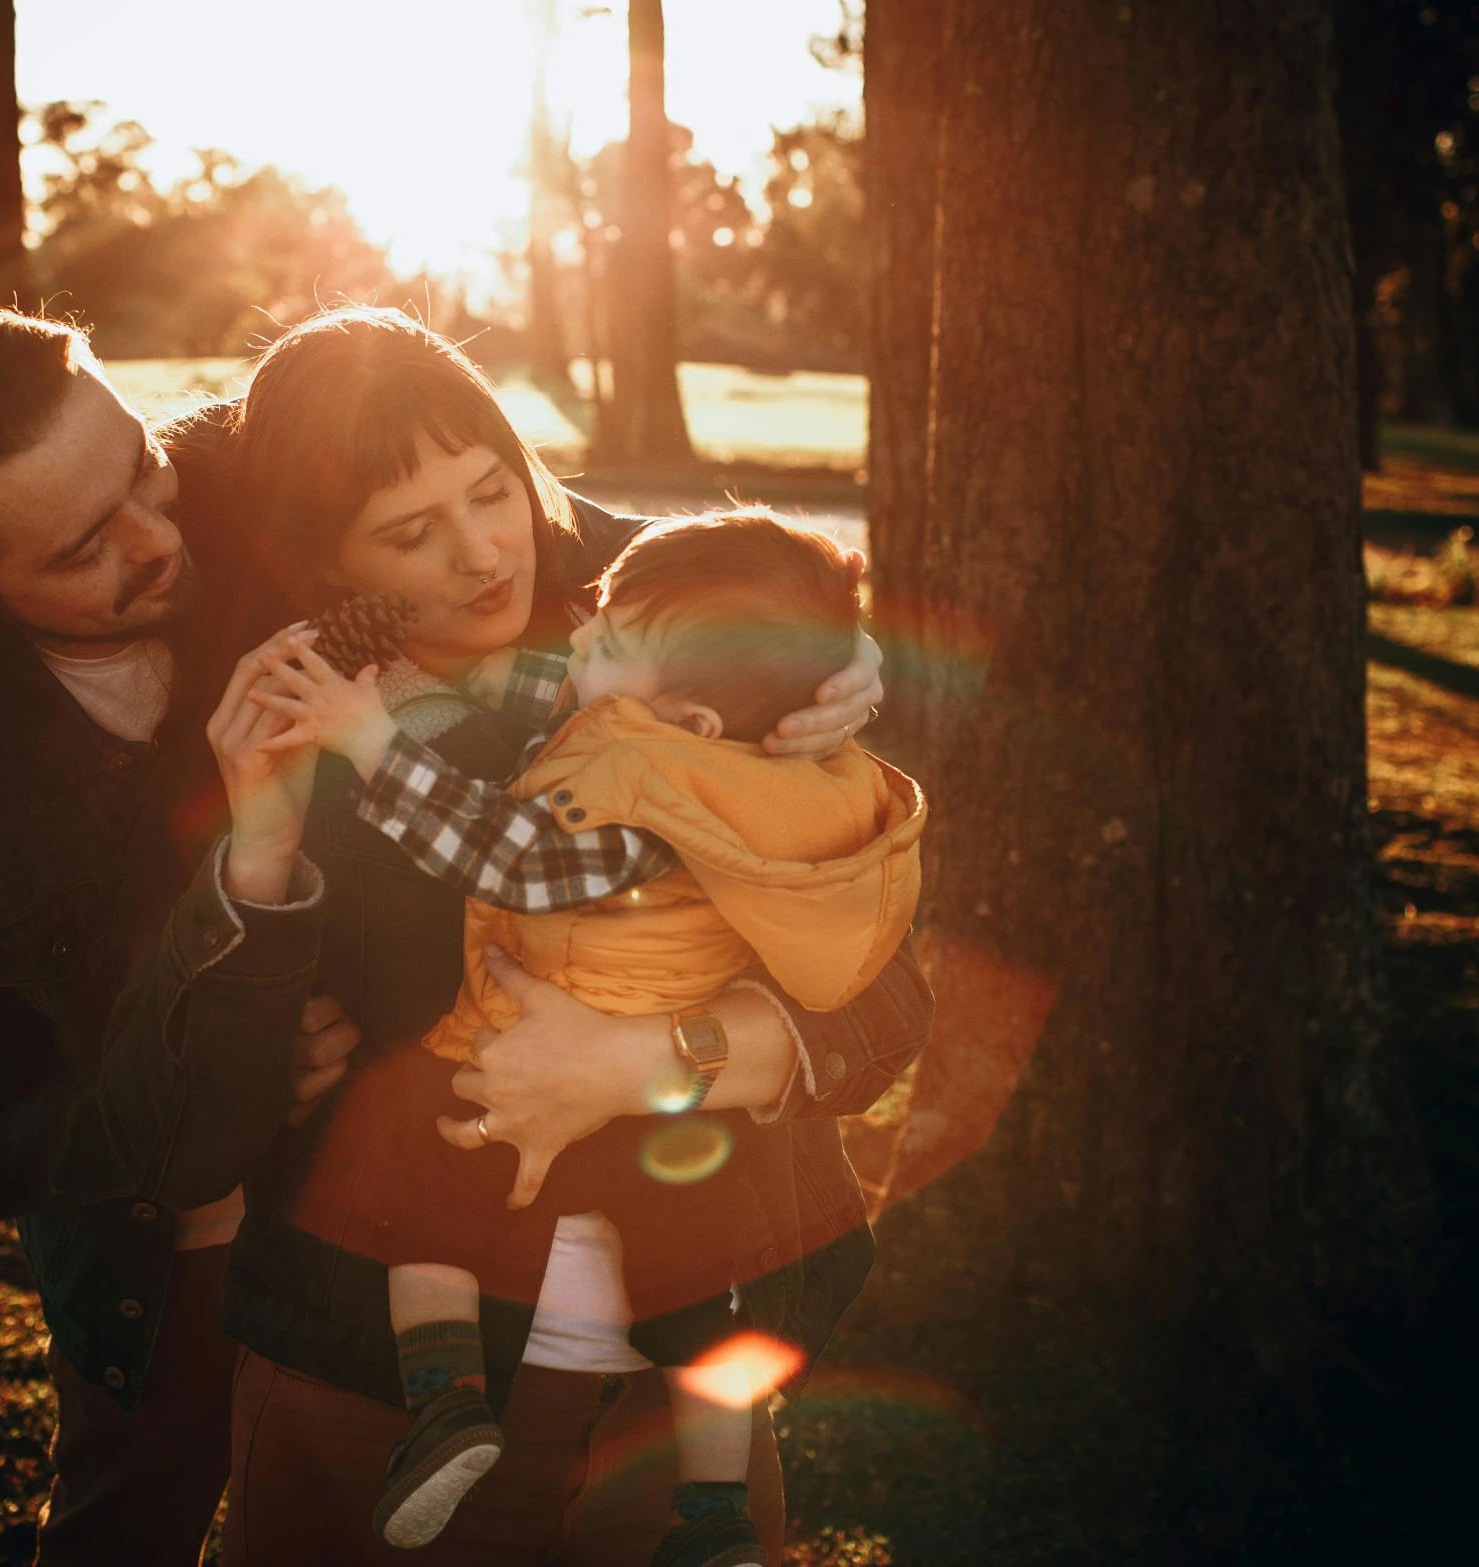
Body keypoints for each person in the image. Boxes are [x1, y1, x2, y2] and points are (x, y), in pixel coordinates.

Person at [0, 301, 892, 1566]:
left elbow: (538, 523)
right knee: (128, 1525)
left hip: (410, 1205)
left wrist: (810, 639)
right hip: (175, 1252)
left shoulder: (247, 489)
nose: (164, 537)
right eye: (92, 546)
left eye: (144, 468)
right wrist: (215, 1074)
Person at [170, 306, 939, 1566]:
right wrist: (259, 850)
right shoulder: (285, 728)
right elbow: (209, 1101)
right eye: (411, 533)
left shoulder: (695, 682)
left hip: (664, 1384)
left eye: (493, 489)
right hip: (377, 1384)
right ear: (325, 569)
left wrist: (653, 1057)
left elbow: (880, 1004)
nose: (485, 554)